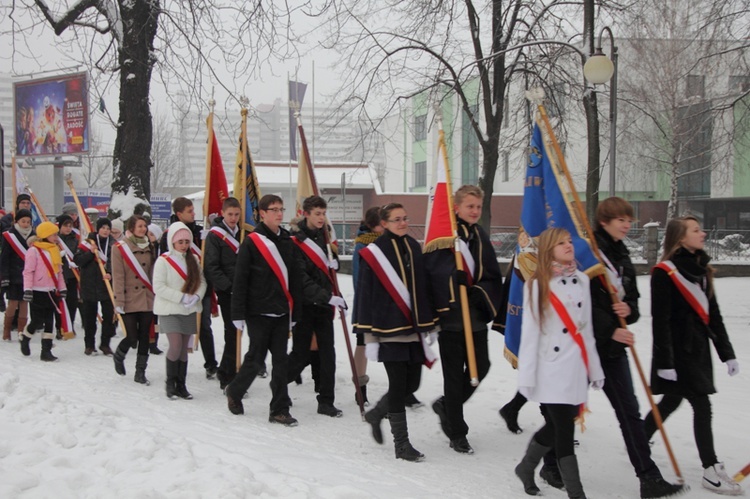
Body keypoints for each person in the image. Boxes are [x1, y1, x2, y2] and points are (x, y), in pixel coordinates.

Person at [589, 198, 685, 499]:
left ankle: (648, 478)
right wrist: (611, 329)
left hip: (614, 351)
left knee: (629, 411)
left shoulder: (622, 254)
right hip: (587, 348)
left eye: (629, 220)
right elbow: (582, 306)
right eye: (621, 220)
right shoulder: (589, 252)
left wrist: (627, 311)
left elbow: (634, 302)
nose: (628, 225)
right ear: (605, 221)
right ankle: (544, 463)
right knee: (564, 414)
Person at [643, 215, 741, 496]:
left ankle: (640, 438)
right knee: (702, 404)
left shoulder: (701, 269)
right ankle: (710, 470)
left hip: (699, 350)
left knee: (672, 401)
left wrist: (727, 354)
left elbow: (715, 317)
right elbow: (659, 321)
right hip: (677, 352)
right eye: (696, 230)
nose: (703, 233)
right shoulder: (665, 272)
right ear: (680, 237)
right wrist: (664, 363)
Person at [514, 227, 604, 498]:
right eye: (561, 243)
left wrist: (594, 368)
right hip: (550, 368)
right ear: (548, 249)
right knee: (564, 429)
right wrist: (526, 377)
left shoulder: (582, 281)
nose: (569, 246)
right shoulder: (537, 284)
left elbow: (585, 329)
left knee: (558, 425)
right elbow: (530, 335)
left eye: (569, 242)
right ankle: (577, 494)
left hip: (575, 366)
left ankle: (526, 467)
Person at [354, 203, 436, 462]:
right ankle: (402, 444)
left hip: (413, 327)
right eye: (396, 219)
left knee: (412, 384)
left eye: (405, 218)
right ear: (385, 223)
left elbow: (422, 286)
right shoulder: (374, 252)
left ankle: (377, 413)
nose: (402, 223)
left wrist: (429, 320)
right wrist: (366, 330)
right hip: (387, 328)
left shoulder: (413, 246)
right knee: (399, 384)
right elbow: (365, 292)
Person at [425, 185, 503, 454]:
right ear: (456, 207)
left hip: (475, 315)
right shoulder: (445, 235)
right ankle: (457, 431)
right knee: (453, 376)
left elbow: (492, 273)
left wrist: (477, 291)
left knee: (480, 367)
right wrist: (452, 281)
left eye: (478, 207)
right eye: (470, 206)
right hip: (450, 317)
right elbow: (432, 272)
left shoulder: (479, 235)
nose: (475, 211)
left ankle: (447, 405)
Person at [225, 194, 301, 426]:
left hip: (280, 311)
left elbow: (295, 280)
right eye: (274, 209)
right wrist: (237, 314)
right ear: (263, 213)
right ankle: (235, 392)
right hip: (257, 311)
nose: (279, 213)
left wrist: (294, 313)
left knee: (280, 362)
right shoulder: (252, 242)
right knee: (256, 359)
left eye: (281, 209)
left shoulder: (288, 241)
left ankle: (279, 408)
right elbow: (240, 280)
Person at [287, 195, 346, 417]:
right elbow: (301, 279)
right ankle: (279, 386)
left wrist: (335, 263)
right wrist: (326, 296)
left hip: (323, 305)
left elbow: (329, 266)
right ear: (306, 214)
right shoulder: (295, 240)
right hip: (305, 305)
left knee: (327, 354)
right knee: (301, 354)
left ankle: (326, 401)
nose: (322, 218)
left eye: (324, 213)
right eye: (317, 213)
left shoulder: (325, 235)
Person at [160, 197, 218, 379]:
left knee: (205, 326)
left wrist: (214, 227)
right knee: (179, 337)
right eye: (190, 211)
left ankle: (211, 364)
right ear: (179, 214)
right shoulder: (168, 235)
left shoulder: (201, 232)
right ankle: (173, 378)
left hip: (201, 289)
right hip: (178, 292)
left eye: (194, 210)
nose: (194, 214)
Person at [153, 221, 206, 399]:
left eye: (186, 242)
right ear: (172, 242)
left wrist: (197, 296)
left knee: (184, 348)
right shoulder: (163, 261)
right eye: (180, 242)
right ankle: (170, 383)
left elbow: (202, 281)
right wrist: (181, 297)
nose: (184, 245)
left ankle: (181, 385)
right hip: (170, 309)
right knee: (175, 345)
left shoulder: (194, 259)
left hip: (188, 310)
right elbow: (158, 287)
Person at [111, 215, 158, 386]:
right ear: (131, 228)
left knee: (145, 336)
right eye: (139, 226)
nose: (143, 229)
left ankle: (140, 371)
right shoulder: (119, 248)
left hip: (146, 297)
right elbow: (118, 276)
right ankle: (120, 354)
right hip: (128, 297)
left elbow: (153, 273)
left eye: (144, 226)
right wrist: (119, 301)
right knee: (132, 337)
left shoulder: (150, 246)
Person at [204, 197, 242, 390]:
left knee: (238, 332)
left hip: (243, 290)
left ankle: (229, 369)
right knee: (232, 331)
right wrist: (228, 286)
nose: (234, 218)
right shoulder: (215, 236)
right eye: (230, 214)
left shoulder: (244, 233)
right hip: (227, 292)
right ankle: (228, 374)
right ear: (223, 213)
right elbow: (211, 266)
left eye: (237, 214)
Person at [351, 206, 384, 406]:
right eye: (382, 223)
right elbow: (358, 279)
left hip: (387, 306)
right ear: (373, 225)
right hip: (368, 305)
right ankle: (360, 387)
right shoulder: (362, 247)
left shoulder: (388, 243)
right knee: (363, 344)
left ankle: (404, 389)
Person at [21, 221, 67, 361]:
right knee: (37, 321)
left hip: (51, 291)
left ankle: (45, 351)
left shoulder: (55, 250)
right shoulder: (33, 251)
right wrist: (28, 289)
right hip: (37, 290)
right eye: (53, 234)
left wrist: (62, 287)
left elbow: (59, 272)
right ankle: (26, 337)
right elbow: (28, 271)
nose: (56, 237)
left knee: (49, 320)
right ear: (45, 235)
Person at [74, 218, 115, 356]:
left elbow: (116, 262)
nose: (106, 231)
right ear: (98, 229)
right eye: (103, 228)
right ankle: (89, 345)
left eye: (108, 228)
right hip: (89, 285)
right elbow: (78, 260)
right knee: (89, 317)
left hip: (106, 285)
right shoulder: (87, 243)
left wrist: (110, 272)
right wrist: (90, 253)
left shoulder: (113, 244)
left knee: (108, 316)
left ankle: (105, 344)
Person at [1, 209, 34, 341]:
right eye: (23, 221)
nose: (26, 224)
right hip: (13, 275)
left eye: (28, 221)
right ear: (17, 221)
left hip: (27, 276)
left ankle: (21, 331)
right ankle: (7, 330)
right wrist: (4, 276)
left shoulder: (34, 235)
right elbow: (4, 258)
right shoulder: (10, 236)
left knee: (24, 303)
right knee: (13, 303)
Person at [54, 215, 80, 340]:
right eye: (65, 226)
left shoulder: (75, 240)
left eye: (70, 226)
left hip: (72, 275)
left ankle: (70, 325)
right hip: (60, 276)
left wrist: (77, 261)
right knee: (60, 302)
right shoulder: (55, 239)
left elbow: (78, 254)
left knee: (72, 302)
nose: (68, 228)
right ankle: (60, 326)